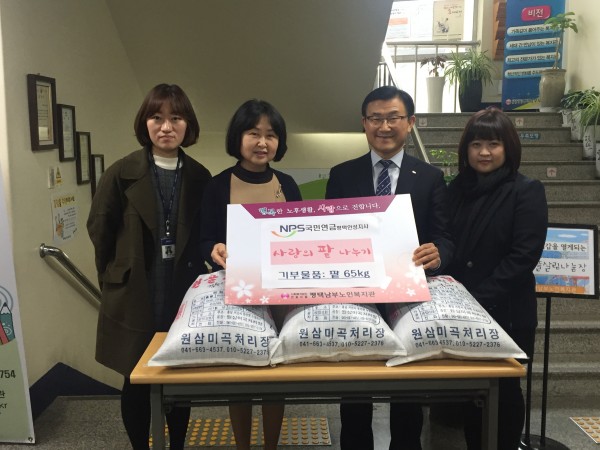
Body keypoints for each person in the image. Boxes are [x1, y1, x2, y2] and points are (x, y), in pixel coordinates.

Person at [325, 85, 454, 450]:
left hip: (408, 296)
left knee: (408, 394)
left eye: (393, 117)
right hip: (356, 296)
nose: (384, 126)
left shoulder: (429, 177)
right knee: (354, 393)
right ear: (364, 123)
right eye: (375, 118)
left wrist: (439, 254)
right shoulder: (342, 174)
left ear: (409, 122)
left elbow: (445, 237)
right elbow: (329, 232)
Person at [87, 84, 212, 450]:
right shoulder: (120, 172)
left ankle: (177, 445)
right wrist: (116, 274)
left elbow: (205, 233)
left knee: (179, 376)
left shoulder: (200, 176)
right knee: (136, 377)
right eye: (157, 117)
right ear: (145, 123)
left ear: (188, 125)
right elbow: (100, 229)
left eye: (176, 118)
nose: (166, 127)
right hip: (136, 289)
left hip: (182, 287)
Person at [199, 99, 302, 450]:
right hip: (237, 292)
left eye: (271, 135)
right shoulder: (218, 185)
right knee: (239, 377)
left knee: (276, 376)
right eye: (253, 133)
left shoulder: (288, 184)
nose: (262, 142)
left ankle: (271, 445)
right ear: (237, 138)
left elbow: (302, 236)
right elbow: (205, 239)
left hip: (281, 294)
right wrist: (213, 249)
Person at [446, 107, 548, 450]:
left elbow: (523, 256)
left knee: (505, 390)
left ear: (508, 147)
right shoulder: (456, 190)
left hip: (507, 311)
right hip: (463, 312)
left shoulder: (526, 190)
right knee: (471, 392)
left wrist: (477, 298)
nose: (484, 152)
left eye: (493, 144)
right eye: (476, 144)